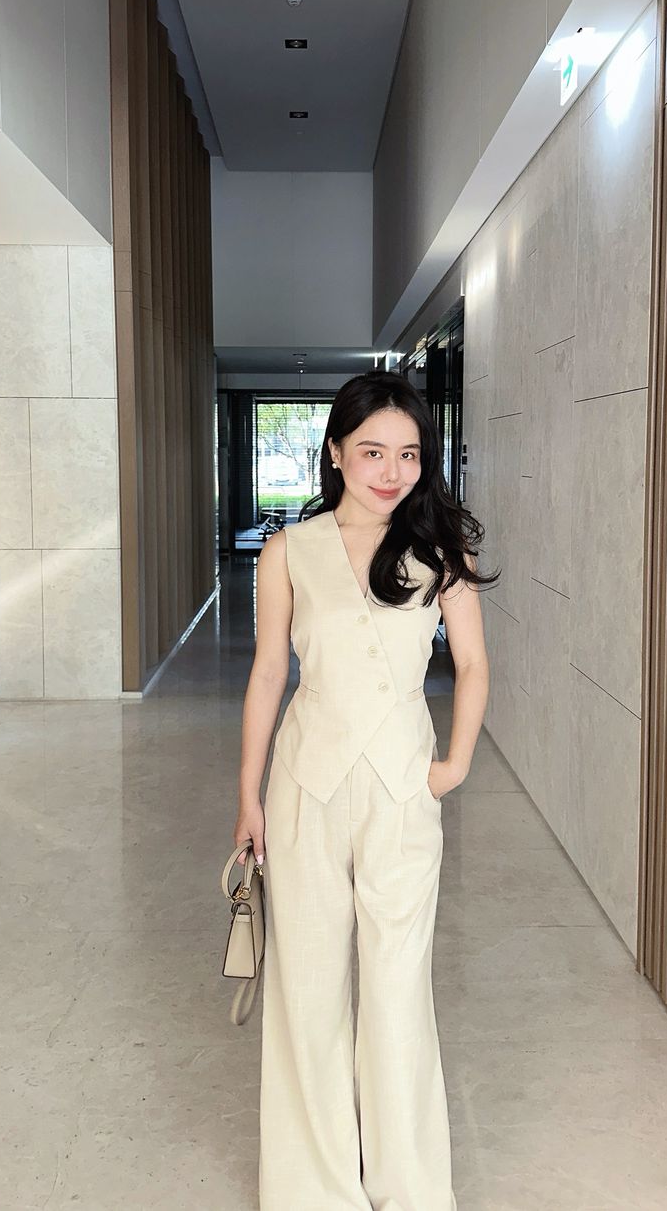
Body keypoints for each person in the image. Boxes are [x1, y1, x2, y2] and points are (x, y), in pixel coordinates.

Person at [235, 370, 496, 1210]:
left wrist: (454, 764)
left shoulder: (441, 552)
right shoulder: (289, 551)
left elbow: (474, 663)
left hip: (402, 790)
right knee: (308, 989)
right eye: (373, 451)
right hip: (304, 786)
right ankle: (312, 1188)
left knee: (397, 988)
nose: (391, 470)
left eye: (408, 454)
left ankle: (407, 1183)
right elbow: (268, 672)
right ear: (336, 452)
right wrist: (248, 795)